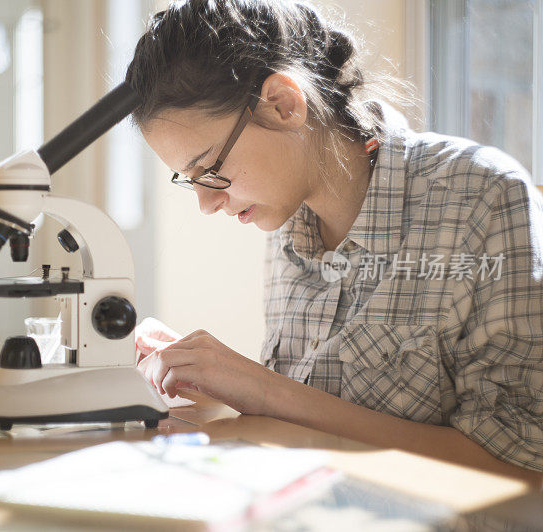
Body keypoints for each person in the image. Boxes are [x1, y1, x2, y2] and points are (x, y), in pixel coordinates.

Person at [126, 0, 543, 485]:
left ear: (284, 105)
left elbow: (521, 466)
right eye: (189, 179)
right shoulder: (286, 225)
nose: (205, 203)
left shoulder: (482, 197)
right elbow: (315, 415)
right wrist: (209, 380)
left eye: (211, 170)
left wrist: (261, 388)